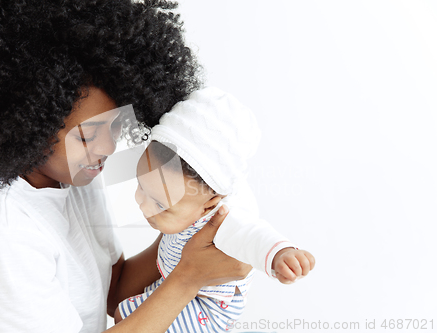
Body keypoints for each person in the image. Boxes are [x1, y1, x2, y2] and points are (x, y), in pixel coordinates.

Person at [0, 1, 252, 332]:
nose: (108, 149)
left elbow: (114, 291)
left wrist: (194, 223)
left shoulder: (70, 177)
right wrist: (189, 277)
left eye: (115, 127)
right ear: (27, 122)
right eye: (88, 137)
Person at [114, 87, 316, 331]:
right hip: (180, 285)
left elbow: (254, 235)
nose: (142, 204)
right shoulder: (191, 202)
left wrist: (280, 255)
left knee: (125, 318)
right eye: (141, 186)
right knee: (123, 312)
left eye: (159, 204)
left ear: (209, 204)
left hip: (207, 310)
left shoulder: (225, 217)